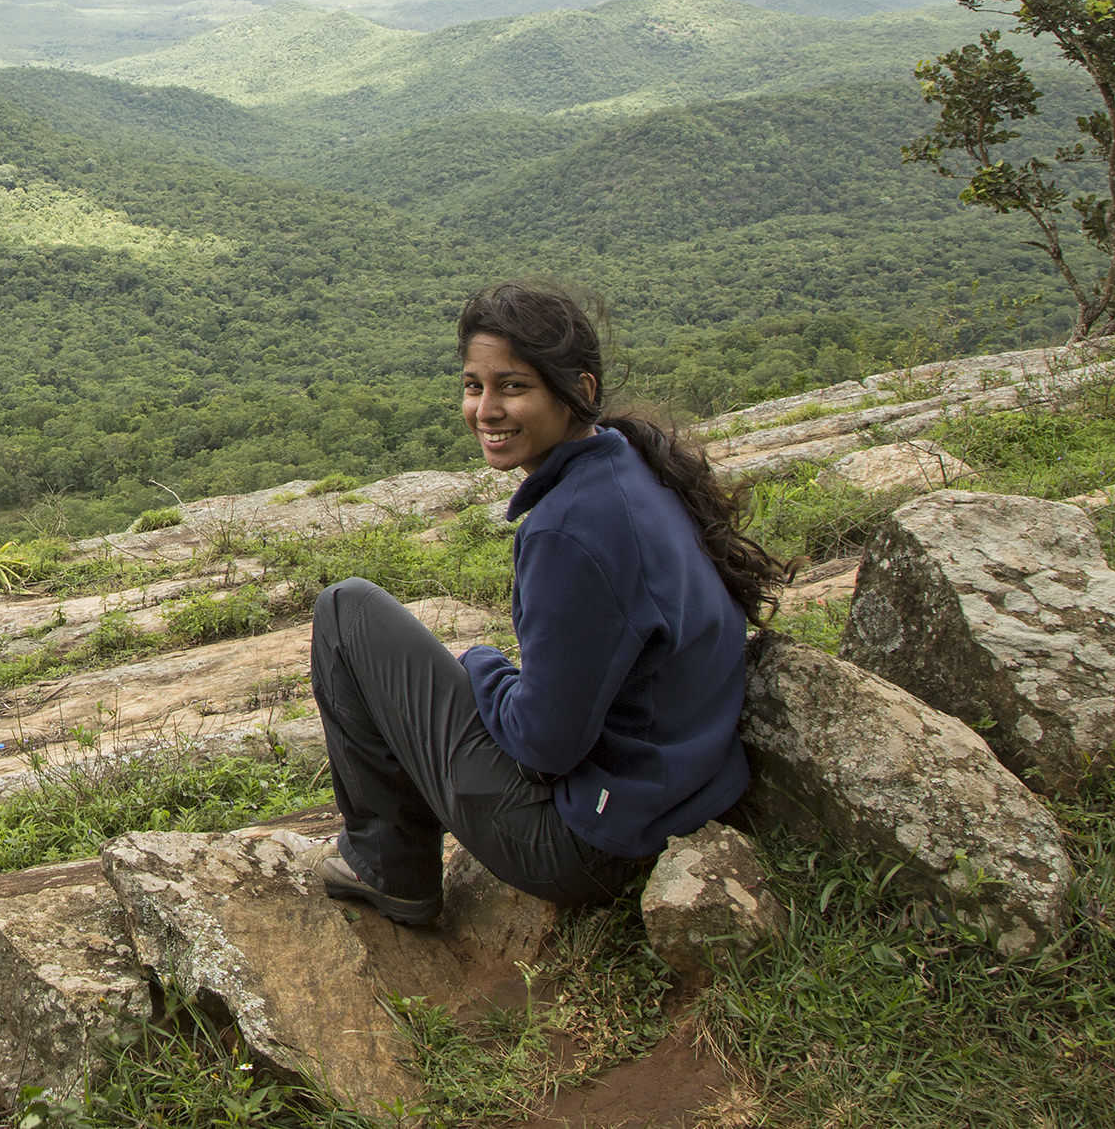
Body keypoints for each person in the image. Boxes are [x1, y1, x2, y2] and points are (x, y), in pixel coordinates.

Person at [307, 282, 791, 921]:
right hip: (679, 791)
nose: (486, 409)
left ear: (579, 392)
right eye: (474, 385)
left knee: (346, 611)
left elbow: (542, 747)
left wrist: (484, 666)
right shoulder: (633, 465)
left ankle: (387, 865)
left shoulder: (570, 530)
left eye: (512, 386)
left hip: (588, 843)